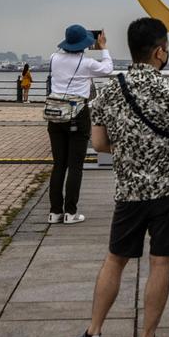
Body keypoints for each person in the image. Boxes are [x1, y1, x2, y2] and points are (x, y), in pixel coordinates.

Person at [72, 17, 169, 337]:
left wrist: (130, 148)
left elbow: (99, 143)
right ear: (160, 52)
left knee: (115, 260)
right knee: (161, 263)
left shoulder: (110, 90)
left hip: (129, 191)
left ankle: (93, 335)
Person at [46, 24, 113, 224]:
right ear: (84, 43)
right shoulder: (87, 63)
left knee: (59, 164)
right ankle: (71, 213)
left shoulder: (53, 58)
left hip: (55, 114)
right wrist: (103, 47)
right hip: (77, 113)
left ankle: (54, 212)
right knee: (75, 165)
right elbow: (108, 68)